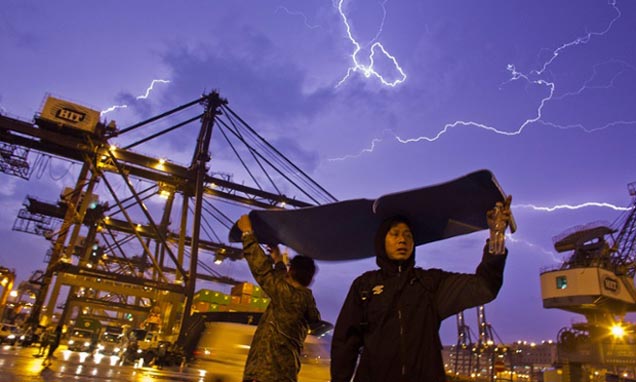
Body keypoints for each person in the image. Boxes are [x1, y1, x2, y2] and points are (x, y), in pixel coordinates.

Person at [331, 196, 513, 382]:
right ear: (381, 241)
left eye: (408, 235)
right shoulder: (365, 286)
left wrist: (496, 235)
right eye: (395, 234)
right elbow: (345, 342)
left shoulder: (431, 284)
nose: (402, 239)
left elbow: (484, 287)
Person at [236, 214, 321, 382]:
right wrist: (277, 258)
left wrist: (247, 234)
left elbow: (262, 269)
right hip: (284, 376)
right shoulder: (302, 300)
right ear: (310, 279)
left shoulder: (286, 295)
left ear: (291, 272)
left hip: (265, 375)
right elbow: (284, 283)